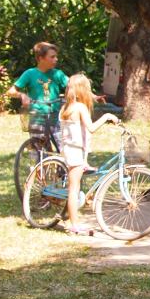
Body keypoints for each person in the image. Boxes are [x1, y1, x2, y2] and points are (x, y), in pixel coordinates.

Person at [59, 73, 119, 234]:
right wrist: (107, 116)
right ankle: (74, 225)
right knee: (74, 189)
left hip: (68, 149)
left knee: (74, 186)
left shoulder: (66, 107)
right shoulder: (80, 108)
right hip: (75, 152)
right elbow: (91, 128)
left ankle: (74, 221)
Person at [7, 41, 70, 151]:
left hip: (55, 118)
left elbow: (76, 86)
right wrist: (22, 95)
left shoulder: (58, 74)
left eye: (56, 57)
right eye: (52, 57)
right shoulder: (30, 74)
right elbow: (10, 91)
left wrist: (92, 96)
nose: (56, 59)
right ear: (41, 58)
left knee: (64, 150)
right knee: (39, 152)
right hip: (37, 118)